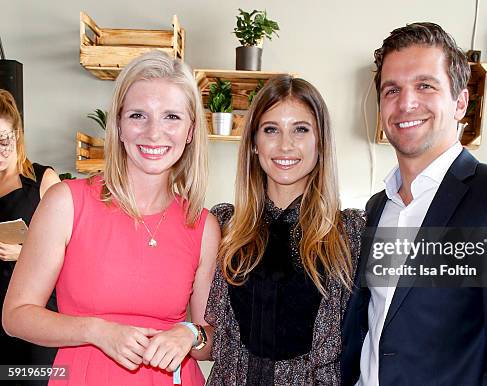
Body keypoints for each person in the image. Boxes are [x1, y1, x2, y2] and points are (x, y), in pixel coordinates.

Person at [341, 23, 487, 386]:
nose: (406, 102)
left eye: (425, 85)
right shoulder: (378, 208)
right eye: (392, 89)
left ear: (460, 103)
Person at [2, 51, 219, 385]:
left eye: (172, 117)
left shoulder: (203, 225)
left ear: (190, 131)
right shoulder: (67, 202)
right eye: (138, 115)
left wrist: (190, 334)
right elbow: (16, 316)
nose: (154, 132)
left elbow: (212, 341)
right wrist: (96, 330)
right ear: (118, 125)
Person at [205, 75, 364, 385]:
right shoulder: (223, 226)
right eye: (271, 130)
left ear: (321, 142)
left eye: (301, 130)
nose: (285, 145)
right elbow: (210, 337)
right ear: (253, 143)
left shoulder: (352, 234)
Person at [0, 89, 61, 381]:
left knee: (36, 379)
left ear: (17, 135)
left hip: (37, 312)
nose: (0, 149)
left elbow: (74, 251)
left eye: (4, 140)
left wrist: (23, 254)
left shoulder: (42, 181)